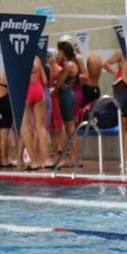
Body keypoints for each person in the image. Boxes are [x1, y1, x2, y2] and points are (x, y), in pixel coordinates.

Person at [103, 48, 127, 163]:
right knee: (124, 124)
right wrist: (117, 73)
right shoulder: (120, 53)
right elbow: (106, 64)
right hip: (121, 90)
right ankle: (125, 154)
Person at [20, 55, 52, 170]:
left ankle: (34, 161)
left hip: (25, 91)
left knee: (25, 126)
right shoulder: (37, 58)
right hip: (38, 89)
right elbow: (44, 80)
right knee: (41, 127)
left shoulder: (18, 58)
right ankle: (47, 160)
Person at [55, 35, 81, 166]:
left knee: (70, 129)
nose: (58, 53)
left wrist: (56, 82)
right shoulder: (74, 63)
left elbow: (58, 84)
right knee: (71, 128)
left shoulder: (68, 65)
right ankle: (76, 158)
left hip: (65, 97)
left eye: (59, 51)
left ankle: (74, 158)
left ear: (63, 51)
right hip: (70, 95)